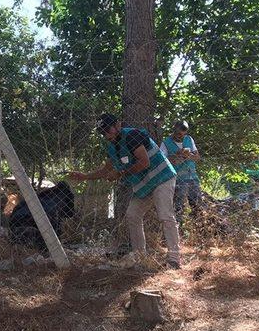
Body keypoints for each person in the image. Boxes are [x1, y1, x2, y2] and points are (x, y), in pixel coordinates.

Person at [69, 114, 181, 268]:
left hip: (162, 178)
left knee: (165, 215)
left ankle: (174, 259)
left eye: (108, 129)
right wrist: (85, 176)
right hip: (145, 186)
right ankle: (140, 257)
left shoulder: (132, 136)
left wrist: (120, 173)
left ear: (118, 125)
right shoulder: (111, 147)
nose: (107, 134)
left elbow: (144, 162)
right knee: (132, 215)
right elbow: (106, 170)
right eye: (103, 132)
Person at [160, 121, 202, 225]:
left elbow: (197, 157)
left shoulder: (189, 139)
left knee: (197, 205)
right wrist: (176, 155)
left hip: (192, 177)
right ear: (174, 131)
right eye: (179, 134)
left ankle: (198, 227)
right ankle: (179, 229)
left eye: (184, 134)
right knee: (178, 207)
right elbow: (162, 161)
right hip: (177, 179)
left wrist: (188, 156)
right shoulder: (165, 143)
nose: (182, 136)